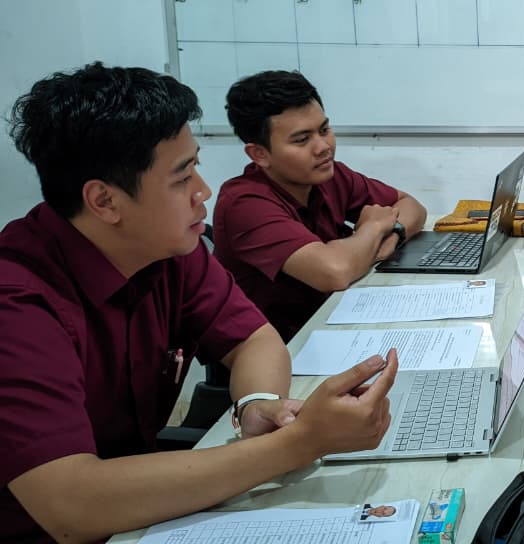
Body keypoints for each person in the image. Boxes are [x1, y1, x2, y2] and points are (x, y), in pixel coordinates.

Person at [0, 63, 400, 543]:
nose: (202, 192)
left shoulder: (165, 250)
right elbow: (71, 505)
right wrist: (301, 442)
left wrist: (257, 403)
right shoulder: (17, 302)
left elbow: (254, 338)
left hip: (146, 513)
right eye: (182, 177)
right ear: (105, 202)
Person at [213, 71, 427, 341]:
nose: (324, 147)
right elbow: (335, 272)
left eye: (324, 130)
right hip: (282, 349)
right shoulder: (243, 203)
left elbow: (412, 206)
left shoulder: (329, 175)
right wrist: (373, 228)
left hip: (335, 321)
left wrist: (393, 232)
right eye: (302, 140)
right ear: (259, 154)